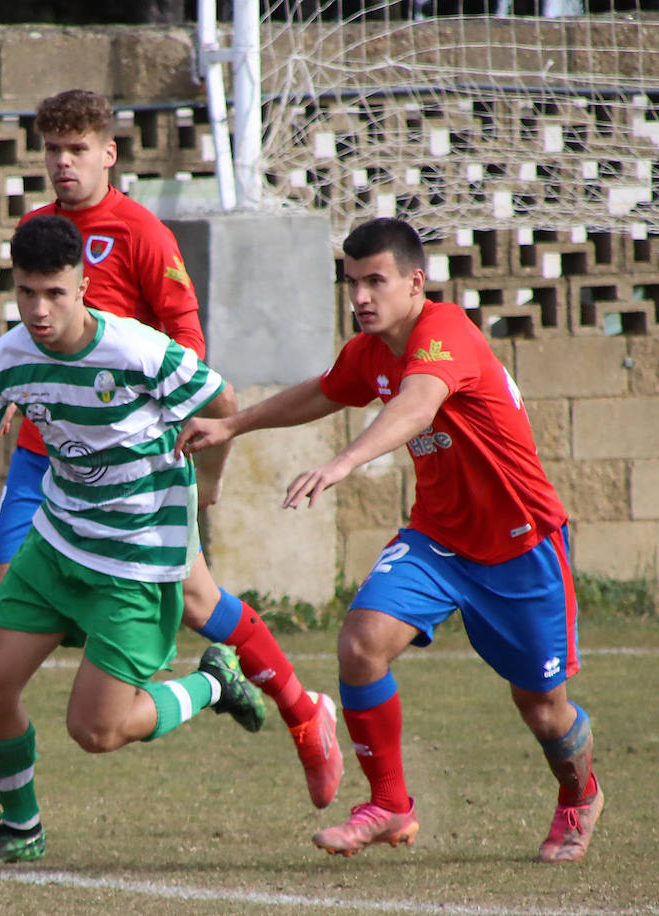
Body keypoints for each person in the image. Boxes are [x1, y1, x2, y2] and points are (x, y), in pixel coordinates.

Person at [0, 88, 341, 835]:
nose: (62, 163)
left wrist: (185, 458)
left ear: (108, 153)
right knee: (2, 618)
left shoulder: (142, 237)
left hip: (139, 466)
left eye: (76, 149)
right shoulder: (37, 241)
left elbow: (194, 364)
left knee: (195, 610)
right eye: (51, 150)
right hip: (49, 462)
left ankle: (286, 703)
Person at [175, 217, 604, 864]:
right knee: (360, 644)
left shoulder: (445, 335)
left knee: (543, 711)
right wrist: (234, 424)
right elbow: (323, 391)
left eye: (375, 281)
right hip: (437, 540)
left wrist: (341, 464)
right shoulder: (370, 351)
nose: (361, 297)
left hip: (521, 545)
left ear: (414, 282)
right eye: (351, 282)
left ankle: (580, 796)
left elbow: (417, 405)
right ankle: (390, 805)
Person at [0, 213, 266, 864]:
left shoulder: (136, 351)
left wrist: (206, 486)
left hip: (135, 561)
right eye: (26, 293)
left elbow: (223, 403)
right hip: (56, 544)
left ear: (82, 286)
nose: (39, 311)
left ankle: (213, 682)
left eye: (54, 293)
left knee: (96, 731)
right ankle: (21, 830)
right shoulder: (5, 361)